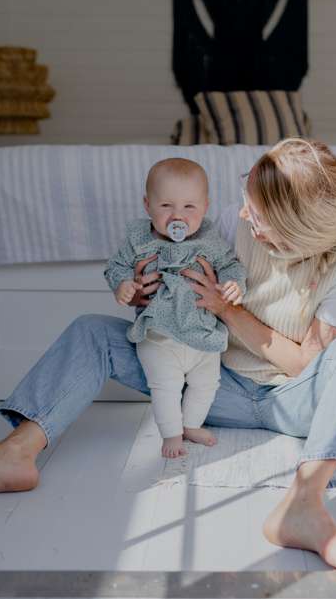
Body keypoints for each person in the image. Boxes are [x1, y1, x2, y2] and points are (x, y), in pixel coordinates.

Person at [0, 139, 336, 577]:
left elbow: (306, 366)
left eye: (256, 215)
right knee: (92, 332)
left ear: (295, 232)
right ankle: (16, 453)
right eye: (246, 200)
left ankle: (304, 504)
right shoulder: (233, 222)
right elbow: (180, 296)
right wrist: (147, 295)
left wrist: (226, 309)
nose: (242, 214)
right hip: (212, 382)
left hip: (293, 400)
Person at [105, 158, 246, 458]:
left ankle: (191, 425)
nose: (177, 216)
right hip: (159, 335)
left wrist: (234, 283)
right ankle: (171, 434)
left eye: (189, 207)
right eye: (166, 206)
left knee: (207, 384)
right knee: (165, 387)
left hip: (202, 333)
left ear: (205, 207)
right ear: (148, 205)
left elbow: (229, 264)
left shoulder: (209, 239)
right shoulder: (139, 240)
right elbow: (116, 266)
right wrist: (123, 284)